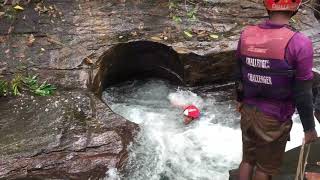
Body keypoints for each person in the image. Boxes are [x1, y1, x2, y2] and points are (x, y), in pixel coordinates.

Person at [235, 0, 318, 179]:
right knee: (265, 169)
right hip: (275, 117)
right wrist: (309, 128)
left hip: (248, 111)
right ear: (296, 7)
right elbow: (303, 93)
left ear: (267, 6)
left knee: (248, 160)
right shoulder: (300, 43)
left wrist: (240, 100)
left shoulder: (246, 34)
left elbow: (239, 72)